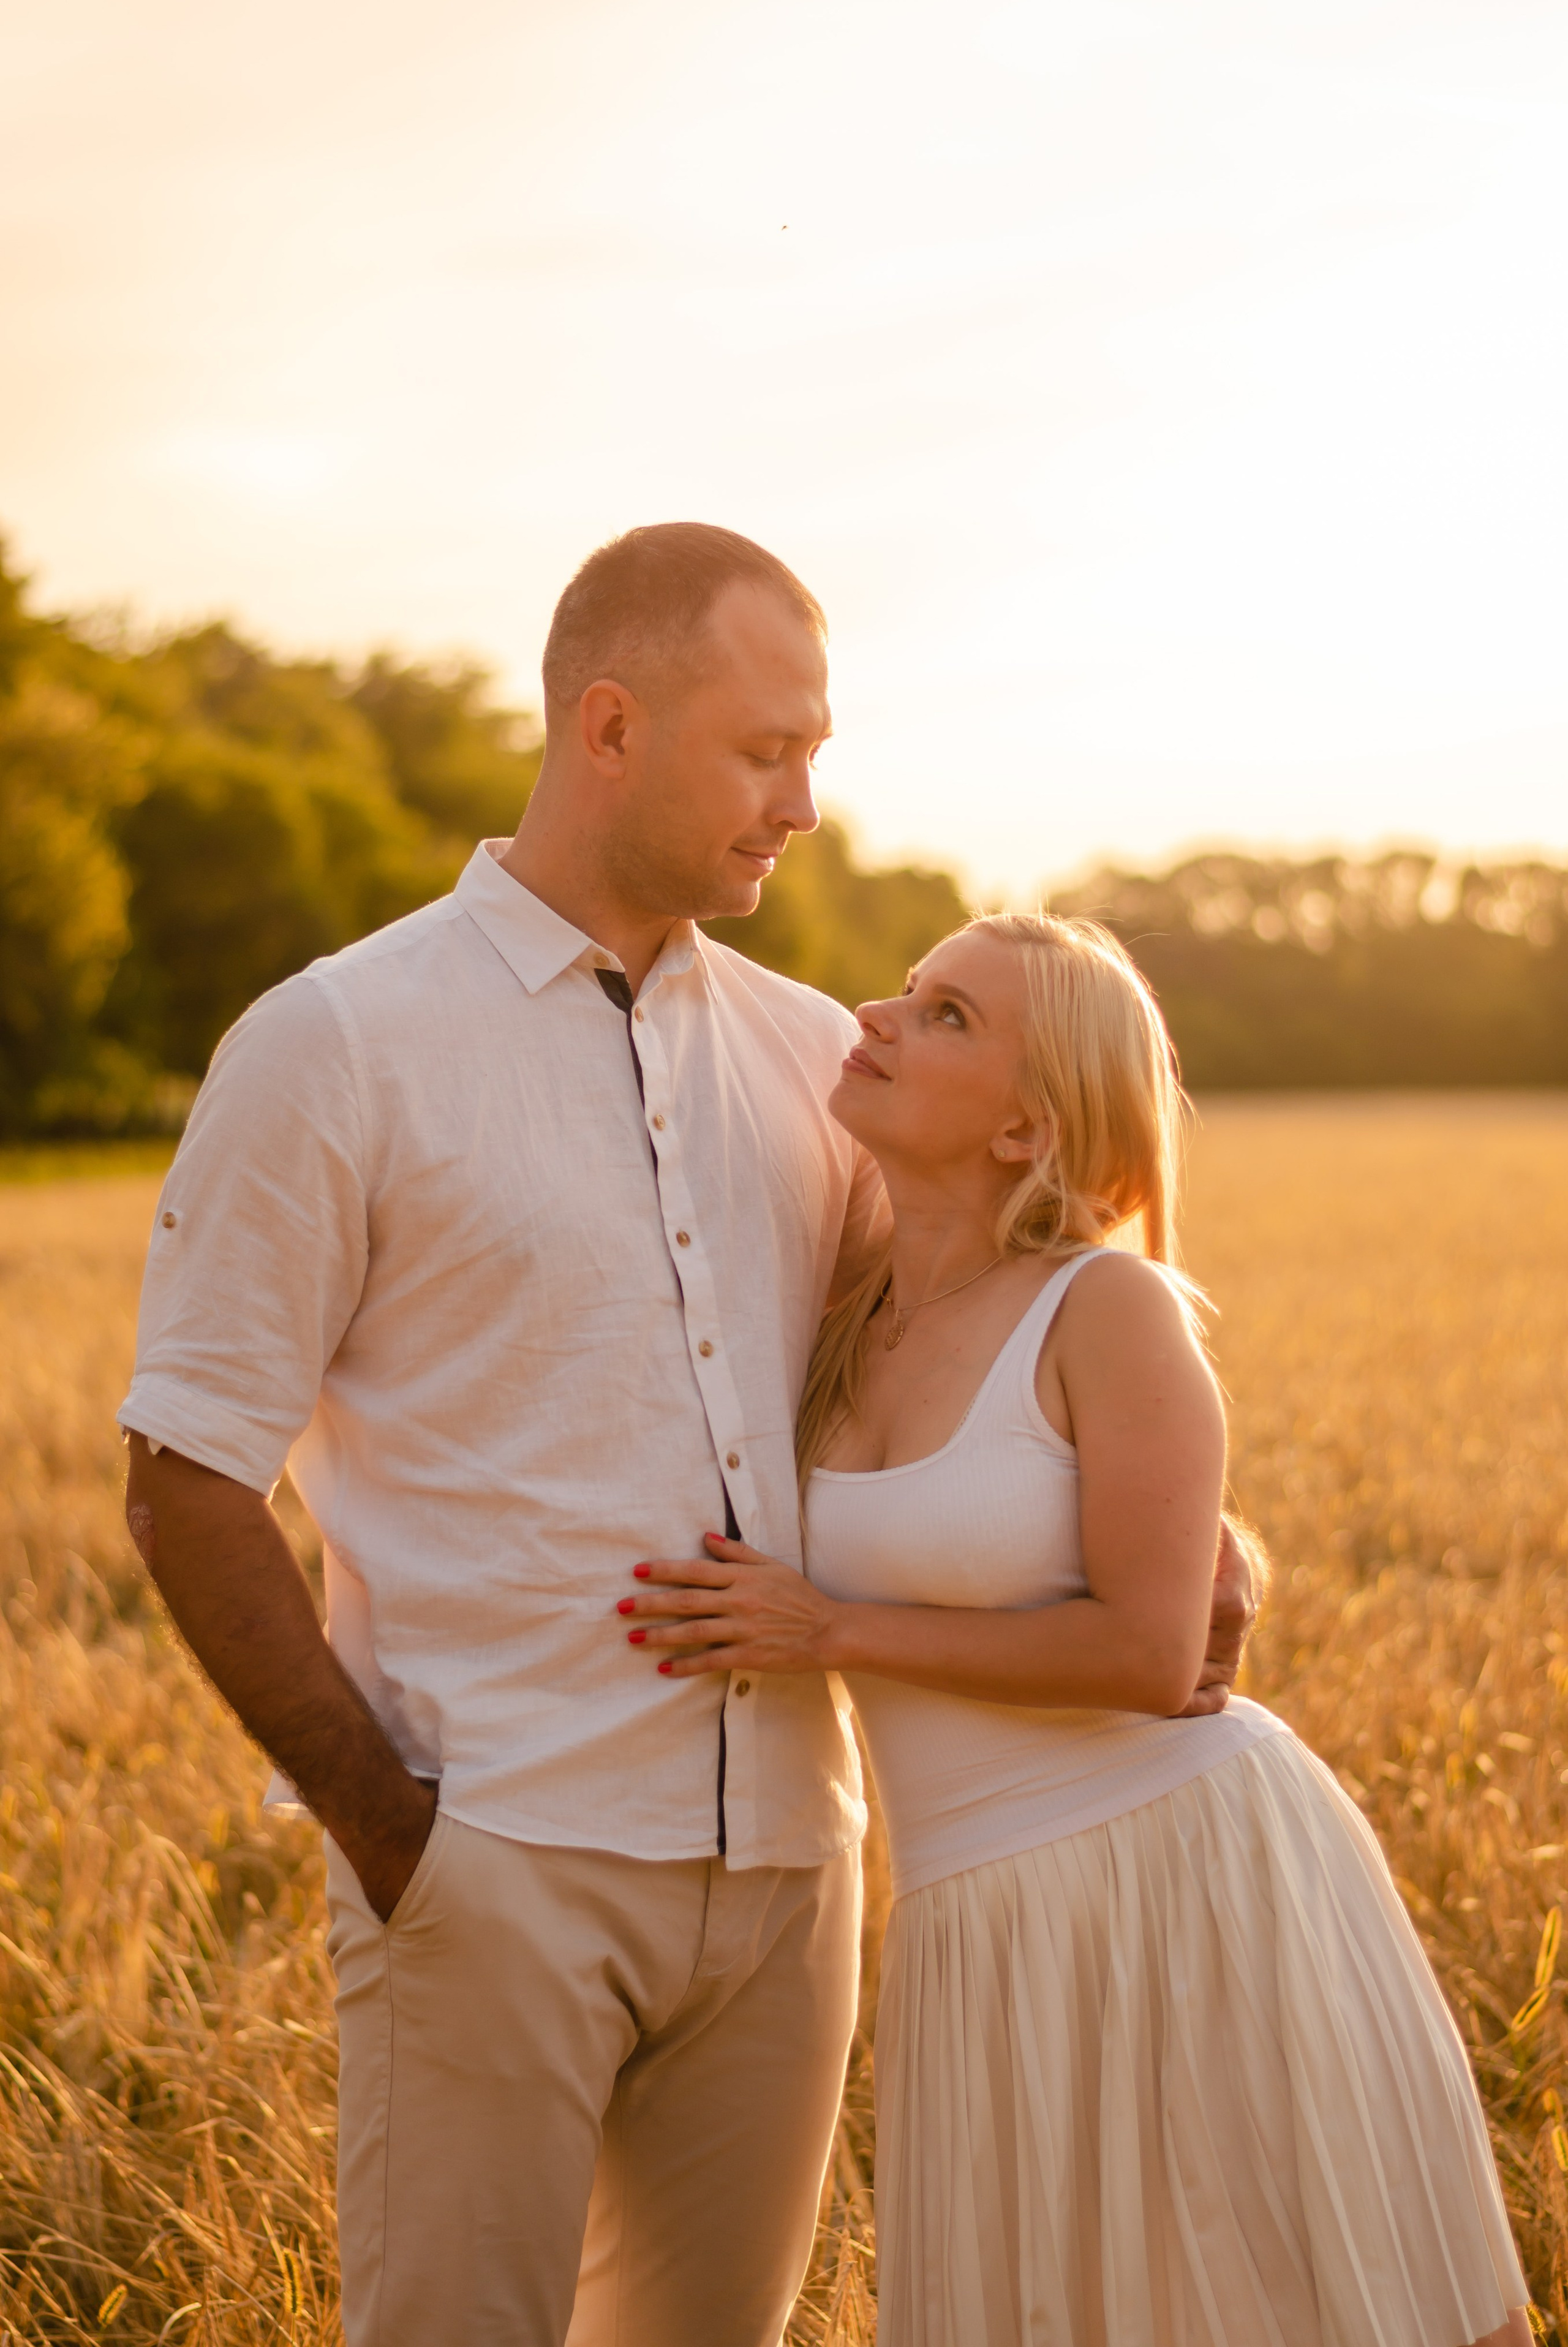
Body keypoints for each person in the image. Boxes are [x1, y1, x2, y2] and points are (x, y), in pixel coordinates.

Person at [119, 523, 1254, 2347]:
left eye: (819, 748)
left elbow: (997, 1353)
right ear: (612, 727)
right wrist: (395, 1831)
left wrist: (1209, 1541)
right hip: (494, 1856)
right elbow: (184, 1480)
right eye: (766, 749)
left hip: (793, 1873)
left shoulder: (820, 1062)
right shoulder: (337, 1044)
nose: (805, 800)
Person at [625, 909, 1532, 2347]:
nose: (873, 1013)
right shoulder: (832, 1316)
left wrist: (827, 1628)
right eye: (911, 987)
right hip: (978, 1921)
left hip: (1177, 1877)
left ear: (1020, 1131)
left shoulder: (1104, 1308)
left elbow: (1149, 1656)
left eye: (946, 1017)